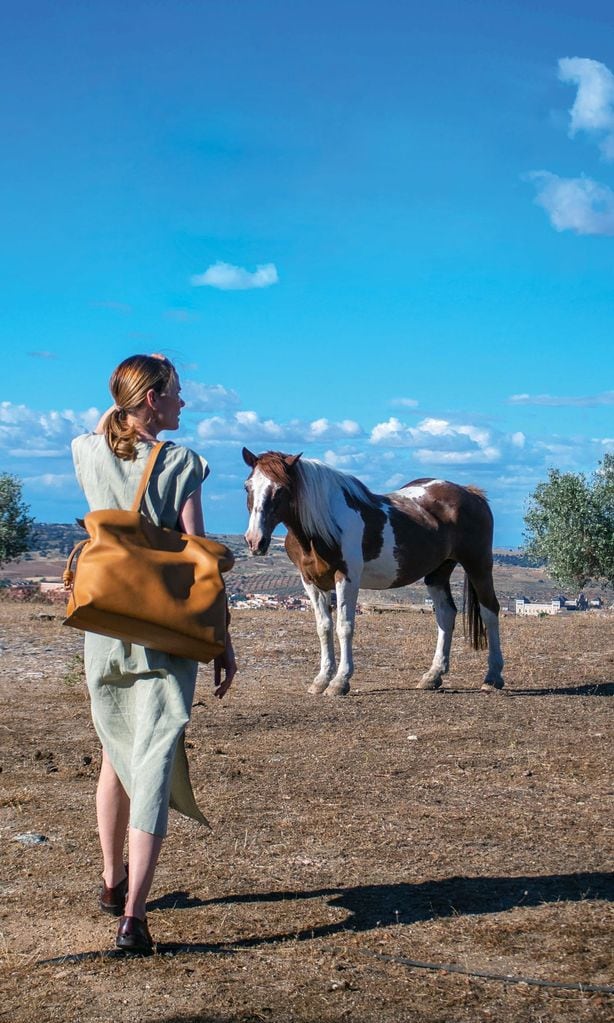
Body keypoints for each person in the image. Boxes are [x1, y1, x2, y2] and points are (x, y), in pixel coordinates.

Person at [71, 353, 237, 954]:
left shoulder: (91, 453)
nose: (184, 404)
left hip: (104, 624)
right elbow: (199, 561)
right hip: (165, 632)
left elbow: (100, 424)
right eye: (175, 393)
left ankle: (112, 882)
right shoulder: (184, 465)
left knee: (117, 750)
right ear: (150, 402)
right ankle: (134, 917)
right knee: (152, 757)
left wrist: (136, 380)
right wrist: (222, 640)